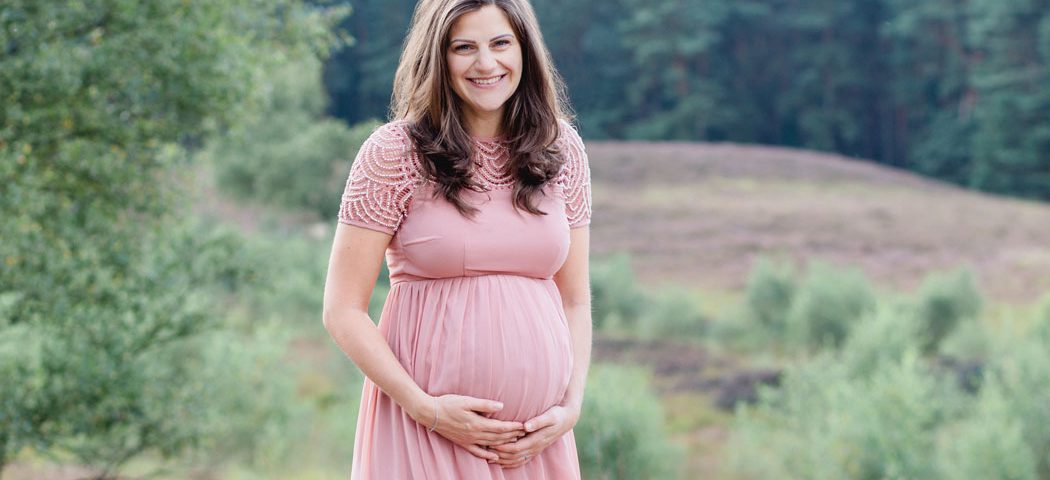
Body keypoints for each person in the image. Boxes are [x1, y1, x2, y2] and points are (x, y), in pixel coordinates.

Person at [321, 0, 592, 478]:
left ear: (525, 51)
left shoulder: (561, 148)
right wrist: (426, 409)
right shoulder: (394, 153)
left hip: (536, 444)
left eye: (500, 43)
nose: (486, 64)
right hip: (426, 430)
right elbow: (342, 310)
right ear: (438, 58)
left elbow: (575, 300)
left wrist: (569, 409)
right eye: (463, 47)